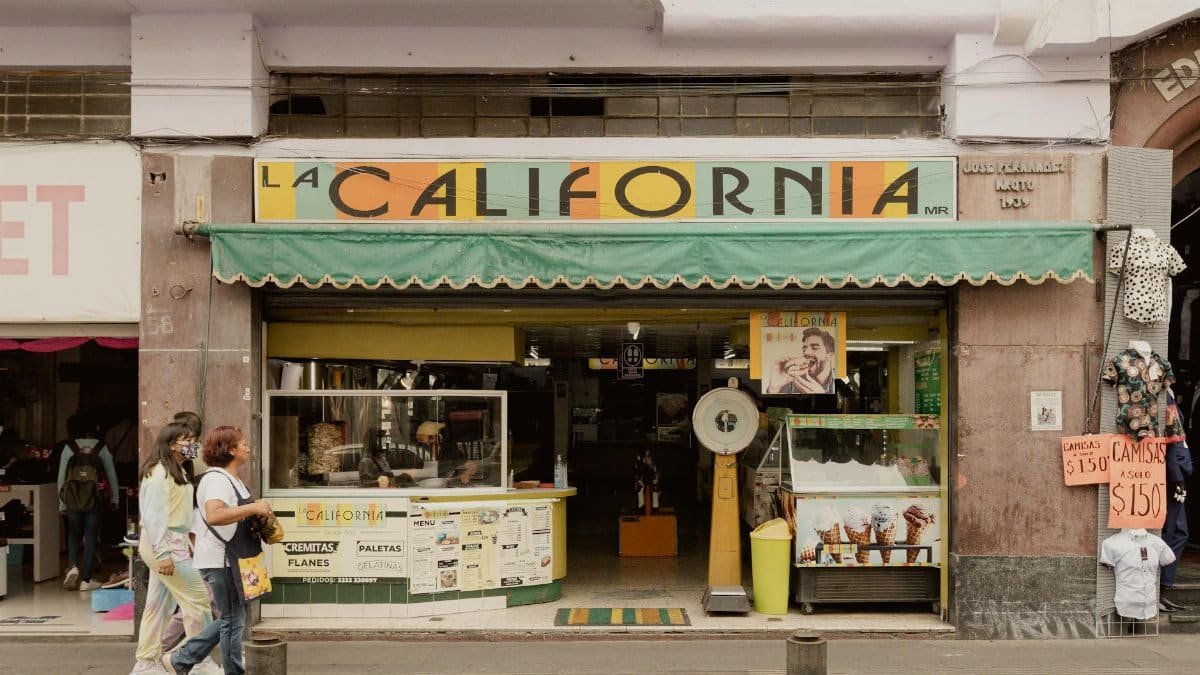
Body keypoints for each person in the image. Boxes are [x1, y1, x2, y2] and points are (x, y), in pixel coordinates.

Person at [169, 426, 271, 675]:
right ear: (231, 450)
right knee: (233, 620)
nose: (248, 447)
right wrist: (253, 509)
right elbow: (215, 515)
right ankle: (193, 662)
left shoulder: (231, 479)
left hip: (237, 559)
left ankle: (181, 660)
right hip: (222, 560)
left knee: (233, 619)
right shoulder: (216, 479)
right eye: (243, 443)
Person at [130, 423, 215, 675]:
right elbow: (154, 517)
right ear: (170, 444)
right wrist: (163, 553)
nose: (192, 444)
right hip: (164, 544)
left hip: (171, 542)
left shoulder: (177, 470)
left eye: (193, 439)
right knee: (198, 600)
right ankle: (199, 661)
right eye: (186, 439)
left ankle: (146, 663)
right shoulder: (159, 474)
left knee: (158, 606)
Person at [58, 412, 120, 592]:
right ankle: (86, 579)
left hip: (72, 499)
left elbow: (62, 478)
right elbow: (111, 474)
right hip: (95, 499)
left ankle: (72, 566)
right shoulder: (101, 447)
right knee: (91, 535)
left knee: (73, 534)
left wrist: (62, 503)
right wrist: (115, 498)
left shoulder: (69, 447)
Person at [767, 327, 836, 395]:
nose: (806, 352)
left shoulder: (839, 381)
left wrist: (822, 396)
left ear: (829, 356)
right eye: (804, 349)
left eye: (815, 348)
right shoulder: (791, 380)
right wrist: (773, 388)